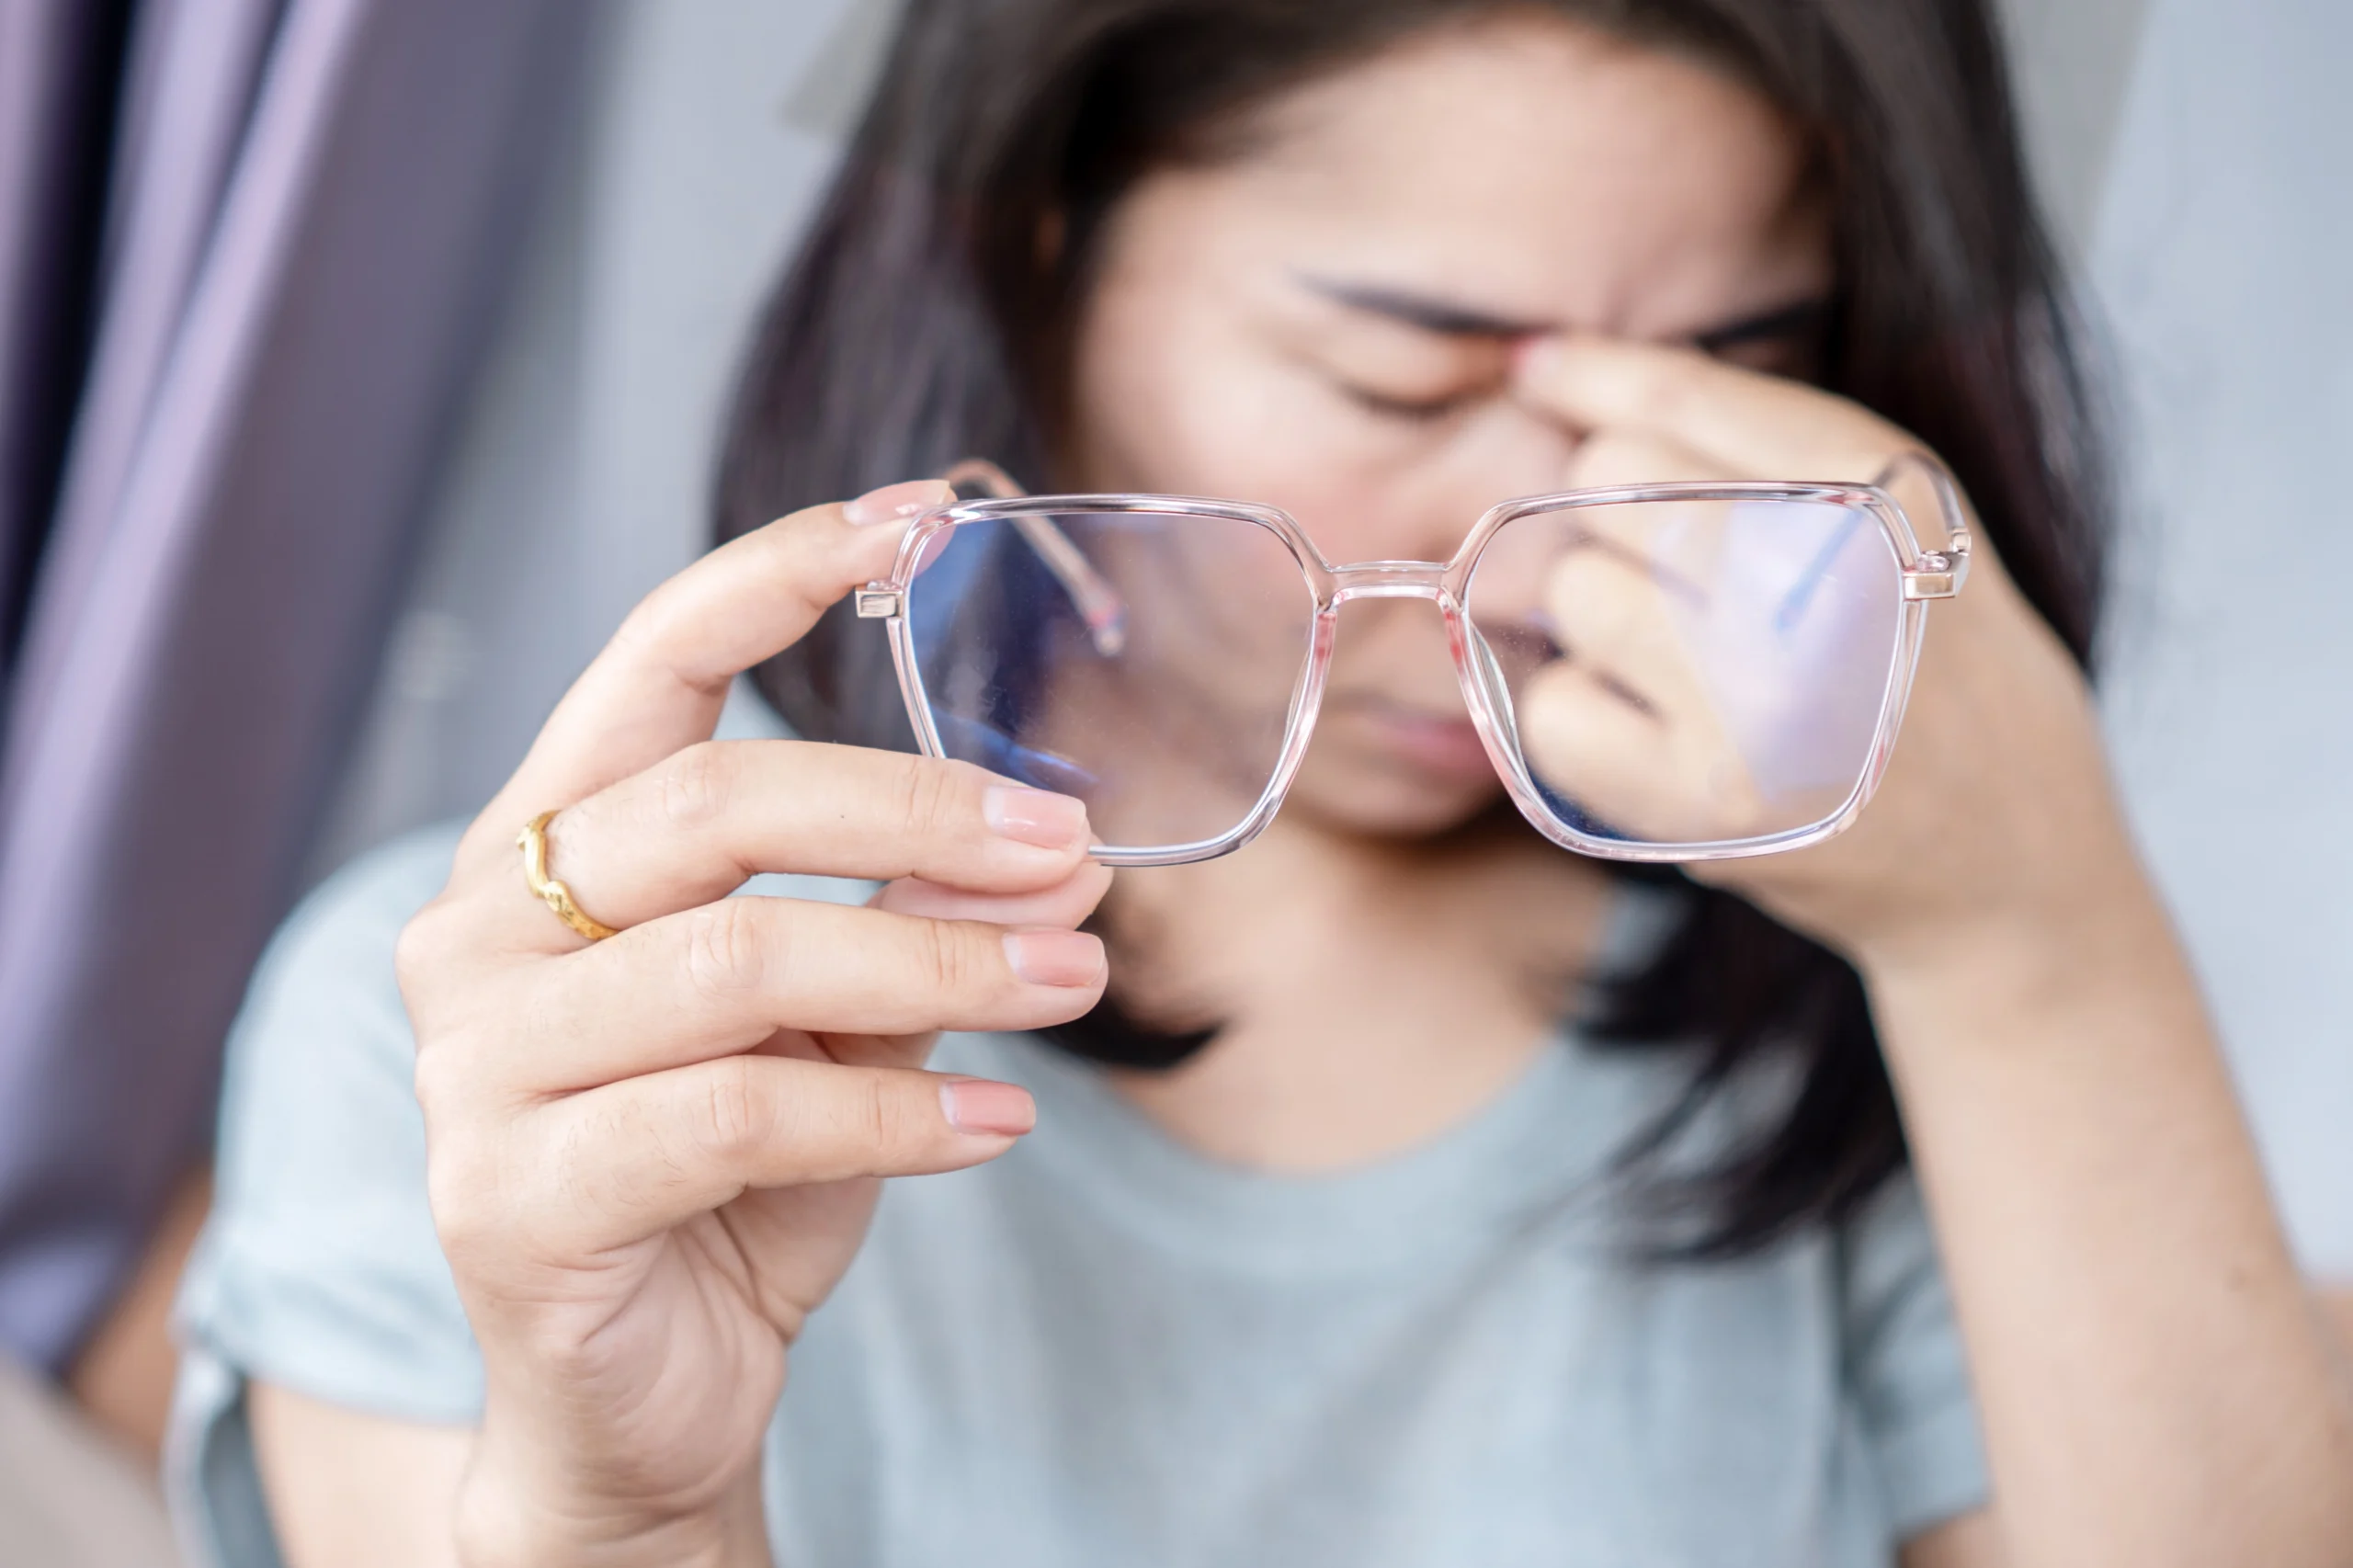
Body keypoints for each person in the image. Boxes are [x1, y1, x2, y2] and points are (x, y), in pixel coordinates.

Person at [170, 1, 2353, 1564]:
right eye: (1395, 366)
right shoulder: (513, 1032)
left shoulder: (1849, 1037)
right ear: (1047, 244)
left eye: (1729, 388)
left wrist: (2029, 936)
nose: (1567, 550)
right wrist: (624, 1513)